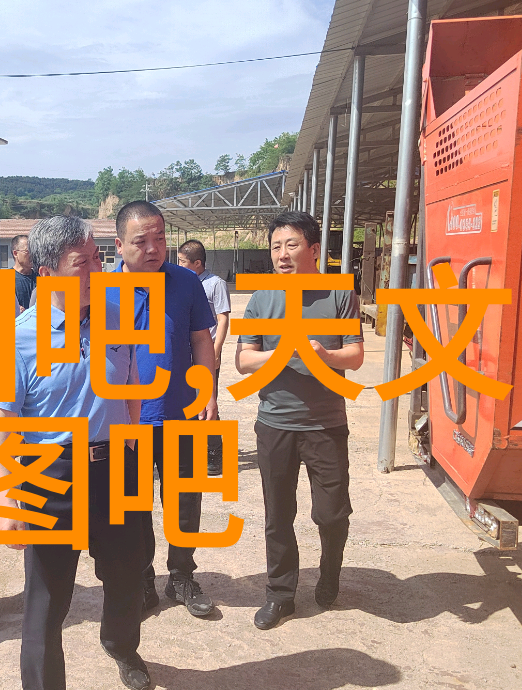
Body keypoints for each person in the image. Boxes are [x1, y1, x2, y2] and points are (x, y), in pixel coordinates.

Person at [0, 215, 148, 690]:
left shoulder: (116, 319)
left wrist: (134, 450)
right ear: (49, 271)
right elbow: (2, 423)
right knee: (47, 600)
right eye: (85, 262)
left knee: (127, 574)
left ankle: (120, 644)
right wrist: (7, 501)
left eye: (99, 258)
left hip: (115, 466)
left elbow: (129, 390)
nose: (99, 269)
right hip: (50, 473)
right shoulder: (19, 337)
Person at [235, 210, 363, 629]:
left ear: (314, 250)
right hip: (275, 423)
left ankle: (329, 572)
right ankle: (280, 594)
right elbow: (243, 360)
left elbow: (355, 355)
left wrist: (324, 355)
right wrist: (282, 353)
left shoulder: (339, 293)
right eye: (276, 246)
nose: (282, 254)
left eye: (291, 245)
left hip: (326, 424)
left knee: (332, 513)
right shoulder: (262, 298)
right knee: (278, 515)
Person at [114, 201, 218, 618]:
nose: (153, 248)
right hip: (126, 418)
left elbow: (200, 340)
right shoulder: (101, 290)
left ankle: (182, 576)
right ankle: (141, 579)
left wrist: (208, 391)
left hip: (181, 412)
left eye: (160, 238)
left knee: (184, 500)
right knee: (132, 504)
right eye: (141, 241)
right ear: (119, 245)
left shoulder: (186, 282)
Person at [176, 239, 231, 476]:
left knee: (206, 403)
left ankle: (214, 450)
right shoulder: (182, 283)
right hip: (184, 353)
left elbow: (223, 319)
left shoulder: (215, 284)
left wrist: (216, 351)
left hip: (206, 353)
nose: (178, 265)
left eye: (182, 261)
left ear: (197, 263)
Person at [11, 234, 36, 310]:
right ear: (15, 253)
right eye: (28, 251)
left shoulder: (41, 277)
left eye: (34, 251)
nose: (32, 255)